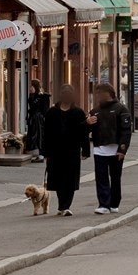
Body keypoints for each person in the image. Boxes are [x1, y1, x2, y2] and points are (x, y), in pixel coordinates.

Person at [40, 84, 89, 216]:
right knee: (58, 178)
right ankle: (62, 205)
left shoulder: (78, 112)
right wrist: (45, 152)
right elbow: (46, 133)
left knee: (70, 179)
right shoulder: (52, 112)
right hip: (55, 151)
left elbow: (84, 132)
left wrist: (85, 150)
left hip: (72, 150)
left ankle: (66, 206)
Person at [88, 83, 132, 214]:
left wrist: (122, 149)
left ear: (109, 93)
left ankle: (114, 203)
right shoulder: (95, 111)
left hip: (115, 149)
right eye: (97, 94)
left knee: (115, 177)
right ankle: (103, 204)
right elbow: (86, 130)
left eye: (100, 93)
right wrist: (87, 123)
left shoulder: (121, 109)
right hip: (99, 149)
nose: (98, 96)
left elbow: (126, 131)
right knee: (101, 178)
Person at [25, 77, 50, 162]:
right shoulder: (32, 95)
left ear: (34, 86)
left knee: (39, 136)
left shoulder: (42, 96)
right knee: (35, 137)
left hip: (39, 119)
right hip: (33, 118)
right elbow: (31, 107)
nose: (29, 88)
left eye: (31, 86)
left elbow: (45, 109)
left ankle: (41, 155)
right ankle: (39, 154)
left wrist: (44, 118)